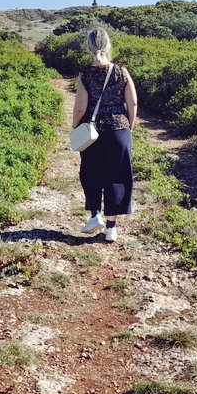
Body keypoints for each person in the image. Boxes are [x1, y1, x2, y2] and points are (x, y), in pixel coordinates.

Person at [72, 28, 138, 243]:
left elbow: (80, 108)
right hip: (119, 130)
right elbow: (133, 102)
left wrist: (74, 129)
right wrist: (130, 126)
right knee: (117, 177)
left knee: (91, 173)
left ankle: (95, 216)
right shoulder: (122, 71)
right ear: (108, 45)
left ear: (88, 47)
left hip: (93, 134)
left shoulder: (85, 74)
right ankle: (111, 228)